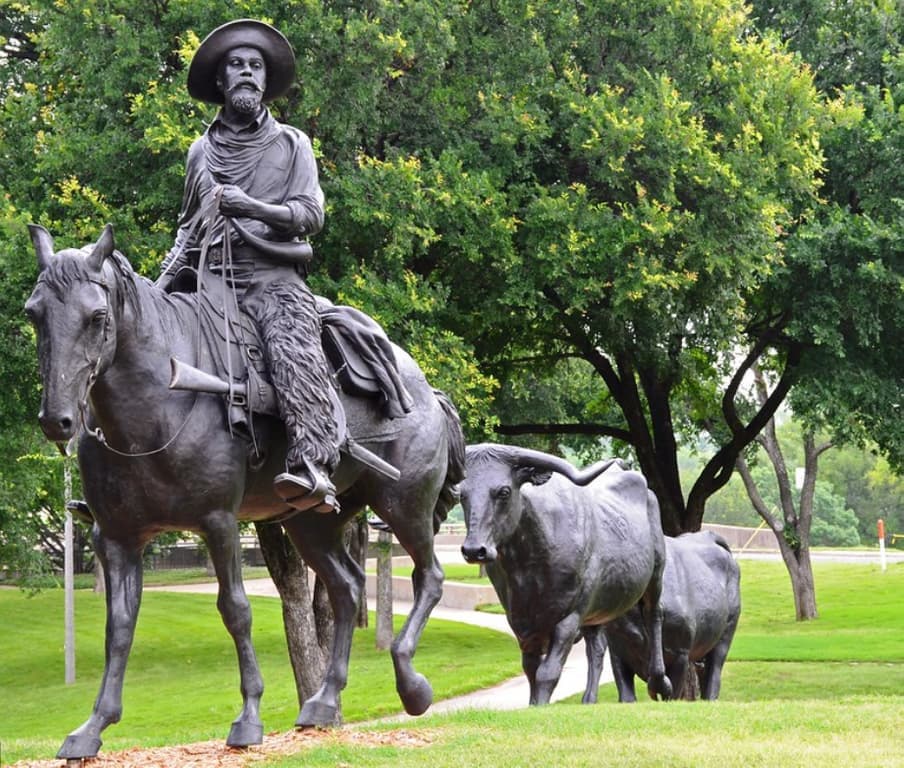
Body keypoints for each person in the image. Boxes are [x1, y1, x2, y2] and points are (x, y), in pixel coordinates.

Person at [157, 19, 340, 513]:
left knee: (291, 346)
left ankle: (312, 464)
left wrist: (252, 208)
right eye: (236, 65)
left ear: (265, 81)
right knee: (137, 339)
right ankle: (125, 473)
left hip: (272, 281)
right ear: (221, 81)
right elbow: (187, 227)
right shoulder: (201, 151)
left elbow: (310, 214)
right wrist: (160, 285)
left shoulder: (292, 144)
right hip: (210, 283)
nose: (246, 73)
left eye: (255, 66)